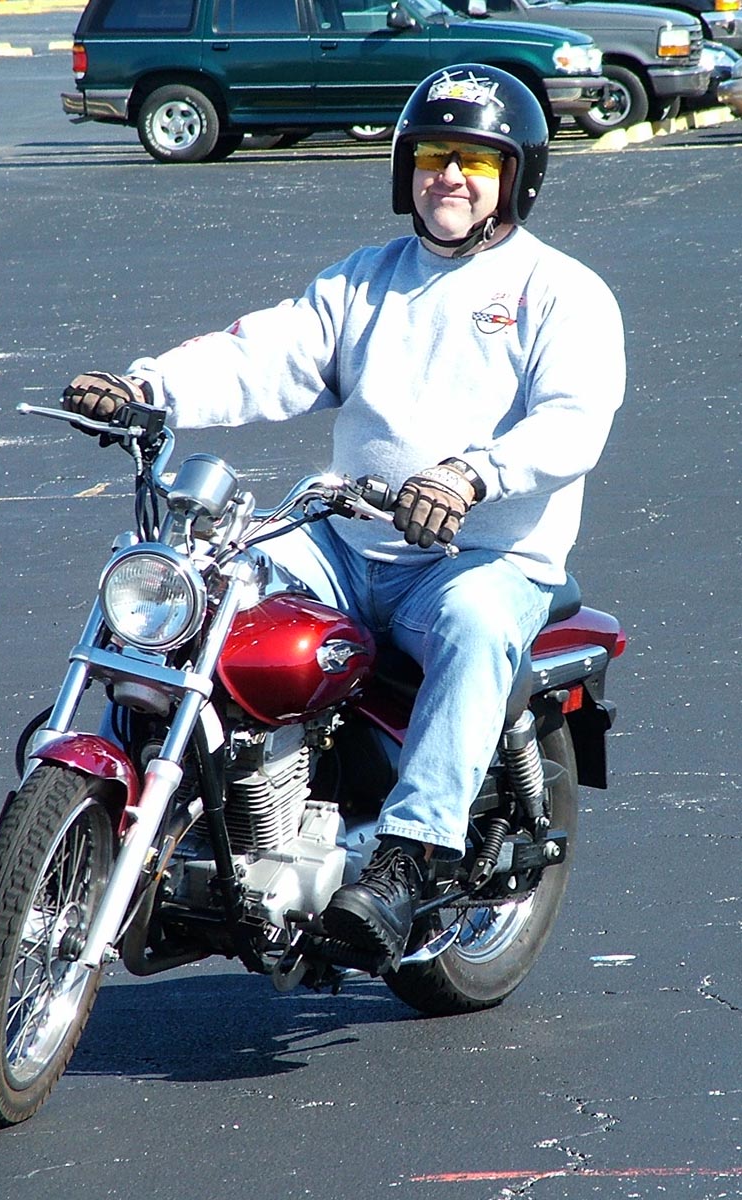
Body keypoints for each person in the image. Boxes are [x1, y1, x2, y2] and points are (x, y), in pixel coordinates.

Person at [61, 65, 626, 972]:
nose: (451, 176)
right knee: (202, 581)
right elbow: (265, 355)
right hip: (346, 540)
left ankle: (410, 857)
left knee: (477, 628)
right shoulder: (367, 280)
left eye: (477, 160)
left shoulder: (563, 291)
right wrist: (147, 389)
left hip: (483, 555)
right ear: (406, 167)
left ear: (516, 176)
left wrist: (471, 476)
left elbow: (573, 423)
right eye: (434, 156)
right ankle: (174, 799)